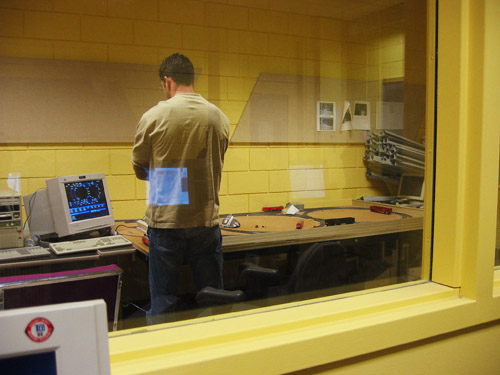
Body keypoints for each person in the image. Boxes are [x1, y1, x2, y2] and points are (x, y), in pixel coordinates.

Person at [132, 53, 230, 323]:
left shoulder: (153, 116)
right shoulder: (219, 117)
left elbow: (140, 168)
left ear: (167, 81)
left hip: (166, 220)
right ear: (191, 78)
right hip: (206, 221)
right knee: (214, 300)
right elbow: (217, 162)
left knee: (163, 302)